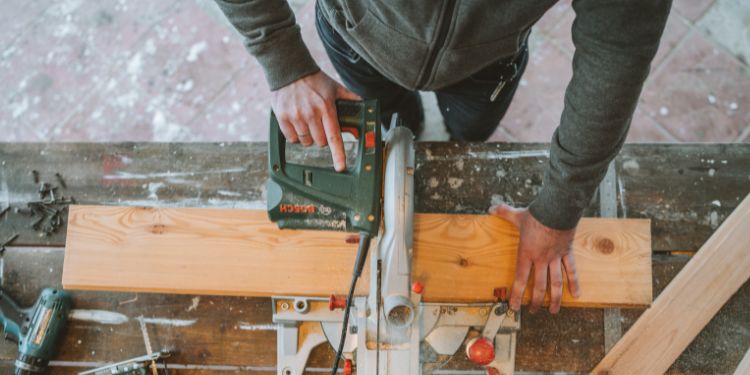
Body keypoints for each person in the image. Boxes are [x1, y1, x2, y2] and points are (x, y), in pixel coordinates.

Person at [215, 0, 670, 315]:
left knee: (469, 135)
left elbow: (618, 49)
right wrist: (282, 58)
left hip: (486, 64)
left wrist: (559, 209)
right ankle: (407, 126)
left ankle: (438, 131)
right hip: (357, 35)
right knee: (396, 123)